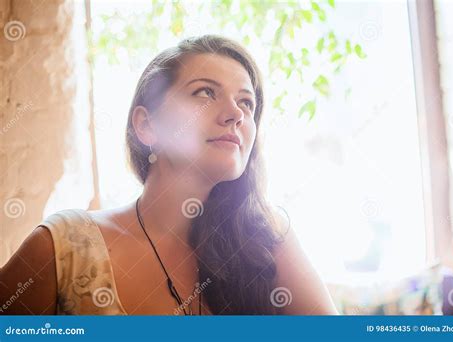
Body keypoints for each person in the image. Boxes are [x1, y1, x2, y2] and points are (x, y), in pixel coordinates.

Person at [0, 35, 338, 316]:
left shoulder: (266, 238)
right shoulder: (64, 249)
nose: (236, 113)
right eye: (205, 92)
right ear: (147, 125)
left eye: (247, 103)